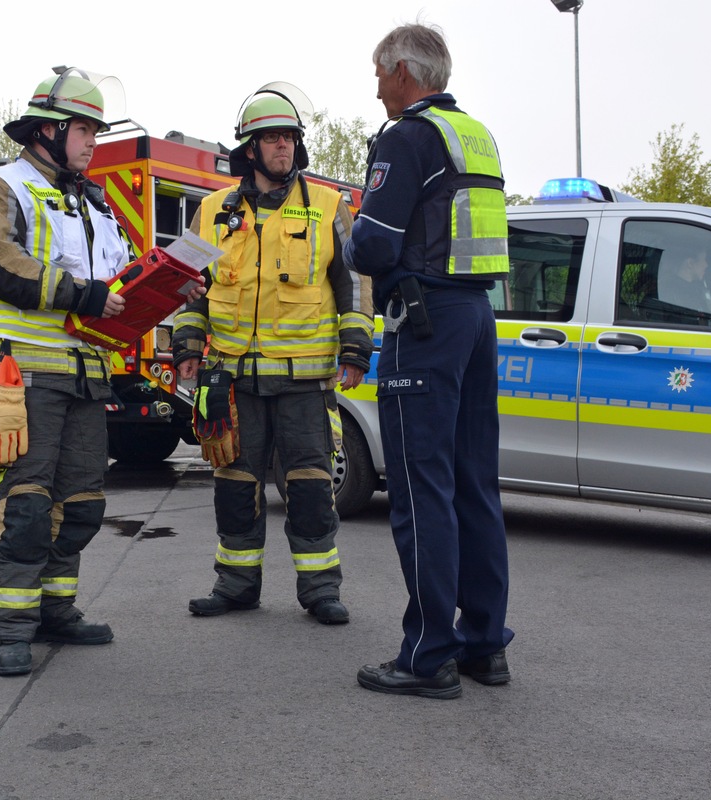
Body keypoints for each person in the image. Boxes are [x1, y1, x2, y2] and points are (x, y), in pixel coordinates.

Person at [0, 68, 202, 677]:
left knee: (83, 502)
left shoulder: (95, 203)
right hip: (21, 376)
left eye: (96, 130)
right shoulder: (0, 186)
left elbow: (120, 283)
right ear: (48, 129)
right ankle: (11, 629)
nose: (93, 141)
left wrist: (169, 287)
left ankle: (55, 611)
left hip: (87, 376)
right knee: (24, 502)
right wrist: (83, 294)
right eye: (84, 129)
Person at [345, 22, 514, 698]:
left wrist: (350, 232)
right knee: (475, 484)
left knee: (422, 491)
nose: (376, 85)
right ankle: (482, 647)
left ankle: (427, 656)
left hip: (427, 321)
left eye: (379, 73)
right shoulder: (476, 134)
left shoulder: (407, 136)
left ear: (403, 73)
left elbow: (377, 246)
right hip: (476, 317)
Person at [172, 82, 374, 626]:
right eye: (272, 138)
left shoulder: (330, 206)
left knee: (310, 485)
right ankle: (236, 584)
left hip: (306, 381)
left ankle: (320, 590)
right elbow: (188, 286)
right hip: (232, 379)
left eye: (289, 138)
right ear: (250, 148)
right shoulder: (213, 210)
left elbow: (354, 284)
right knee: (235, 484)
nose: (283, 146)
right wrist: (187, 346)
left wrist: (356, 347)